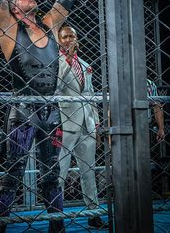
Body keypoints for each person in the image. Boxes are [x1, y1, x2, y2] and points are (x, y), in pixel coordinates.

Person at [0, 0, 82, 233]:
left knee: (51, 174)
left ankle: (57, 227)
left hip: (50, 110)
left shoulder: (50, 26)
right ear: (14, 7)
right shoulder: (8, 28)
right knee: (13, 174)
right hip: (22, 111)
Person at [56, 25, 108, 229]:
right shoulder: (56, 63)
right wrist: (67, 61)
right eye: (65, 37)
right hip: (65, 124)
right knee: (60, 172)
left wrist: (96, 126)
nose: (69, 40)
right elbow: (56, 87)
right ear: (59, 41)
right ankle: (55, 217)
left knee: (89, 172)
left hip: (87, 125)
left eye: (72, 36)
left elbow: (92, 97)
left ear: (77, 39)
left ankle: (93, 214)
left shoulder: (85, 65)